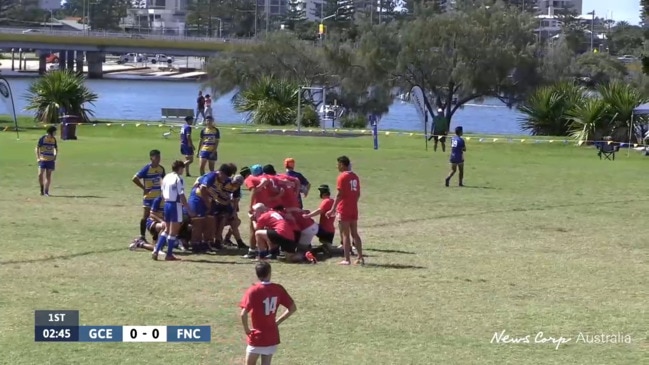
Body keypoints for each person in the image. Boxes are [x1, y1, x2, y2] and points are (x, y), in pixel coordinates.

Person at [239, 262, 297, 365]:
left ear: (257, 274)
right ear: (269, 273)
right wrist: (278, 321)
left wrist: (247, 330)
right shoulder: (278, 288)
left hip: (257, 336)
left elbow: (243, 313)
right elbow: (292, 308)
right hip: (271, 335)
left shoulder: (253, 290)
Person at [153, 160, 193, 261]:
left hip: (166, 204)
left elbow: (162, 191)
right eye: (183, 168)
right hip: (175, 205)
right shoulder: (178, 179)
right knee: (173, 231)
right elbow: (181, 195)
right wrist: (188, 208)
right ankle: (169, 254)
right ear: (180, 168)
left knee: (166, 229)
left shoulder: (167, 177)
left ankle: (156, 250)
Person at [327, 156, 363, 265]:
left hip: (344, 208)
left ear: (342, 164)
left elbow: (340, 194)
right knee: (355, 233)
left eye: (338, 164)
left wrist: (333, 208)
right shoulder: (355, 176)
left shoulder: (342, 177)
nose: (337, 166)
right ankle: (360, 257)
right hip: (353, 208)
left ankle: (347, 259)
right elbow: (358, 194)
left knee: (345, 234)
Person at [132, 150, 165, 243]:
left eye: (159, 157)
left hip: (158, 198)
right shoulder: (147, 168)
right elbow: (135, 178)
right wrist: (144, 188)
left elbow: (164, 180)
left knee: (158, 216)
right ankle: (142, 236)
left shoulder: (161, 169)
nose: (158, 159)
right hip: (149, 197)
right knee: (146, 216)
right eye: (156, 157)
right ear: (151, 158)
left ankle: (156, 237)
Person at [304, 184, 336, 254]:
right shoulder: (333, 201)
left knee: (308, 227)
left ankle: (306, 246)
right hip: (331, 231)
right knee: (328, 247)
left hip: (325, 230)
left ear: (322, 193)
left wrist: (308, 216)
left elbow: (319, 210)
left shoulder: (326, 201)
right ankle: (324, 248)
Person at [35, 125, 58, 196]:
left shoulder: (54, 139)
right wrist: (38, 158)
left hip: (50, 160)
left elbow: (56, 148)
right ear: (51, 132)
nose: (55, 133)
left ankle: (46, 191)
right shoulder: (42, 138)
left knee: (48, 176)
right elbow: (37, 148)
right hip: (42, 160)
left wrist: (55, 156)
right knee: (40, 174)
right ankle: (41, 189)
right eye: (54, 132)